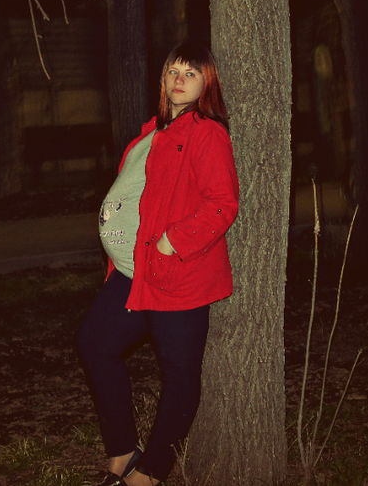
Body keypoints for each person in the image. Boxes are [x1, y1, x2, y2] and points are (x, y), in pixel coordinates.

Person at [77, 42, 239, 486]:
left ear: (207, 82)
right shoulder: (153, 130)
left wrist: (171, 242)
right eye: (173, 71)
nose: (179, 79)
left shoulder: (206, 133)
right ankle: (123, 452)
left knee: (179, 373)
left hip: (176, 275)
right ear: (163, 79)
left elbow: (222, 204)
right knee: (94, 343)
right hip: (133, 275)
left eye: (191, 72)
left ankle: (149, 475)